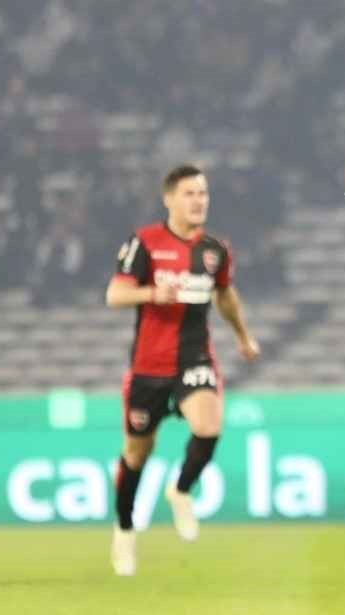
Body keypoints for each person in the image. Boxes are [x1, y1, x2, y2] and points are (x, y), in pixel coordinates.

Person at [104, 164, 261, 576]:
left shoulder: (214, 250)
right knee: (137, 453)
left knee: (208, 427)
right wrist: (152, 293)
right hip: (148, 366)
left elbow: (225, 296)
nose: (198, 201)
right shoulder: (145, 243)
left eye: (203, 193)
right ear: (169, 199)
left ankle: (180, 490)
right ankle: (124, 530)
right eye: (190, 193)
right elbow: (115, 294)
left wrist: (243, 336)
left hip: (195, 357)